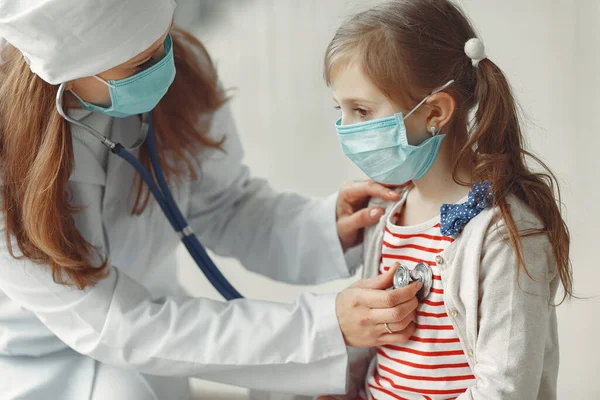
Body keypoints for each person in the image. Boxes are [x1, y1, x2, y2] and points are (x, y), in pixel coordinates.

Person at [0, 1, 424, 399]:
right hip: (39, 359)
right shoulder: (8, 160)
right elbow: (118, 324)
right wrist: (324, 328)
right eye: (139, 63)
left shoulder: (180, 69)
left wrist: (322, 227)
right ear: (67, 68)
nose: (164, 64)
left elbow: (221, 202)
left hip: (155, 340)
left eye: (163, 38)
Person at [313, 0, 573, 399]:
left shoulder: (504, 235)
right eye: (341, 110)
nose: (345, 129)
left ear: (434, 111)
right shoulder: (387, 215)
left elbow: (505, 390)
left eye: (361, 111)